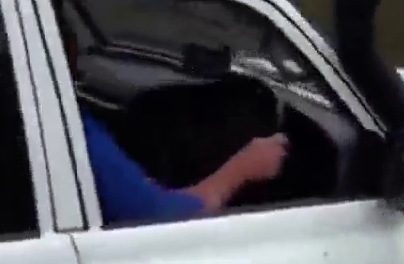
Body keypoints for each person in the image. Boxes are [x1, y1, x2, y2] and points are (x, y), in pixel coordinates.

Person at [65, 31, 289, 225]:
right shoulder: (74, 136)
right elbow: (161, 218)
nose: (75, 41)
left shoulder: (64, 122)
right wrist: (244, 168)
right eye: (65, 28)